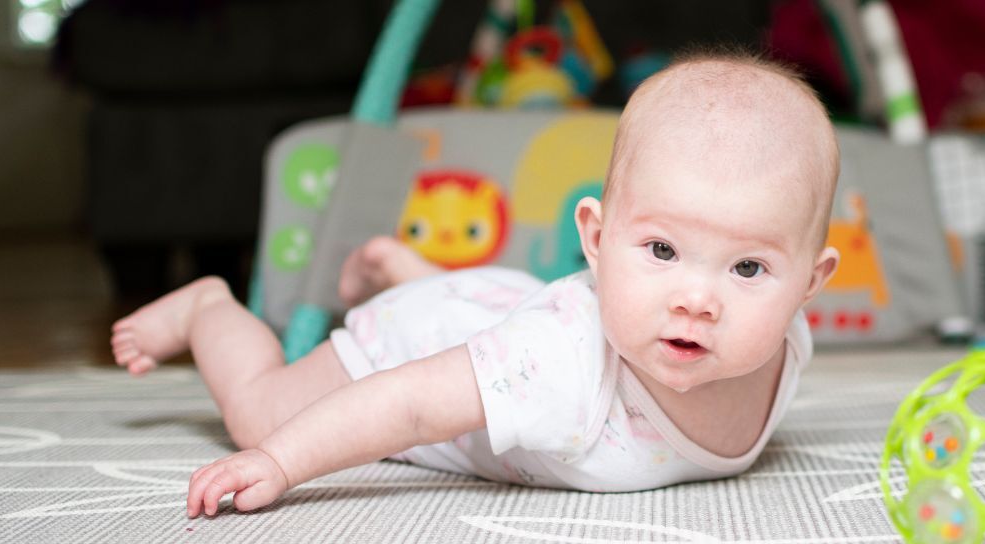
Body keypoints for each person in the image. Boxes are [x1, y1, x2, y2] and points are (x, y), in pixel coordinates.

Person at [110, 49, 842, 518]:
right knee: (260, 413)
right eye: (661, 249)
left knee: (490, 319)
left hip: (497, 307)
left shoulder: (781, 341)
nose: (697, 299)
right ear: (595, 239)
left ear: (808, 285)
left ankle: (403, 269)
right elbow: (411, 405)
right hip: (414, 345)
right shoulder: (561, 360)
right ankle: (208, 307)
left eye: (748, 268)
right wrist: (279, 460)